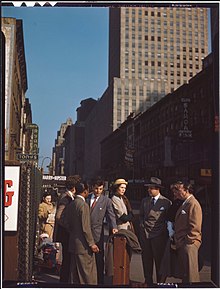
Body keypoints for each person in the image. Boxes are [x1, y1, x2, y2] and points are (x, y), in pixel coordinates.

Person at [139, 177, 171, 285]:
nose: (149, 190)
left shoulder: (166, 202)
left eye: (151, 188)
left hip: (159, 235)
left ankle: (160, 283)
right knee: (146, 259)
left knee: (159, 260)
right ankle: (148, 281)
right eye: (148, 188)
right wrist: (142, 227)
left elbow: (169, 219)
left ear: (158, 189)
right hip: (146, 234)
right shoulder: (144, 201)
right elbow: (141, 216)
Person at [66, 181, 99, 285]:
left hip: (73, 242)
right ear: (86, 191)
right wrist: (91, 243)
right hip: (83, 245)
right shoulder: (83, 205)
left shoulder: (72, 204)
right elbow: (86, 227)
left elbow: (67, 222)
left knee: (74, 274)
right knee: (87, 274)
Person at [86, 178, 118, 284]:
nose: (98, 191)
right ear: (92, 188)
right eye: (96, 189)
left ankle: (100, 281)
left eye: (100, 189)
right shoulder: (86, 198)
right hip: (85, 231)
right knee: (86, 256)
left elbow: (111, 215)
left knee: (99, 257)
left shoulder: (106, 201)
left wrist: (114, 227)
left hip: (97, 232)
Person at [53, 175, 81, 283]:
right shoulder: (66, 198)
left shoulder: (68, 197)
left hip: (66, 234)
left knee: (68, 259)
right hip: (66, 234)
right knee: (67, 260)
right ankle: (64, 282)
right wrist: (69, 226)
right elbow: (59, 216)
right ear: (74, 187)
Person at [173, 181, 202, 283]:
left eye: (178, 190)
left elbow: (195, 227)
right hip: (183, 243)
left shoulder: (193, 204)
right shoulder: (185, 203)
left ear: (186, 190)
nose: (175, 192)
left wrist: (186, 241)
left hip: (188, 244)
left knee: (191, 275)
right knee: (185, 273)